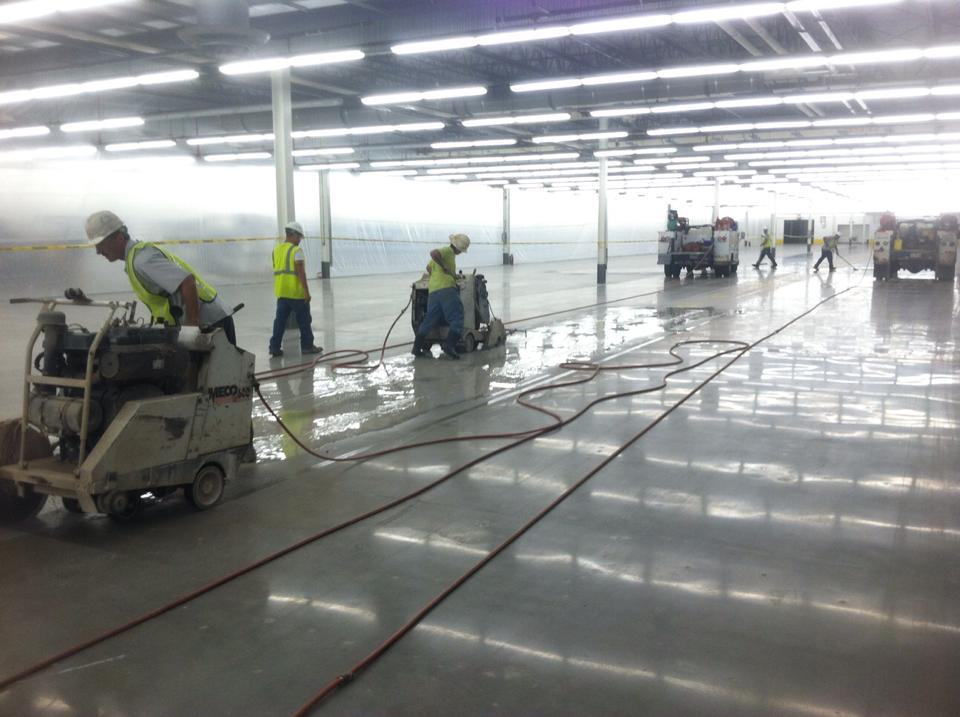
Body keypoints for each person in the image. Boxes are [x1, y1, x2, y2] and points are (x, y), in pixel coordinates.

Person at [85, 210, 237, 345]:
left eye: (101, 244)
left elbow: (187, 282)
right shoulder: (135, 258)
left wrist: (192, 327)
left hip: (211, 324)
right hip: (209, 320)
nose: (98, 251)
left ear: (118, 237)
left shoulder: (142, 261)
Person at [412, 233, 470, 360]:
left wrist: (446, 274)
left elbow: (428, 268)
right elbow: (433, 253)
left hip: (433, 291)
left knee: (429, 320)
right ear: (458, 248)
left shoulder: (443, 257)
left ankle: (416, 348)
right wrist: (444, 268)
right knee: (457, 316)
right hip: (446, 289)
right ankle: (449, 346)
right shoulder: (448, 251)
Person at [269, 221, 322, 358]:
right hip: (296, 293)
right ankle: (307, 346)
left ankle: (274, 347)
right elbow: (300, 273)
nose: (299, 240)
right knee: (304, 321)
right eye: (299, 237)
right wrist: (306, 292)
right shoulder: (296, 251)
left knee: (279, 322)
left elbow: (277, 269)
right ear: (293, 235)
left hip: (282, 292)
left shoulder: (276, 250)